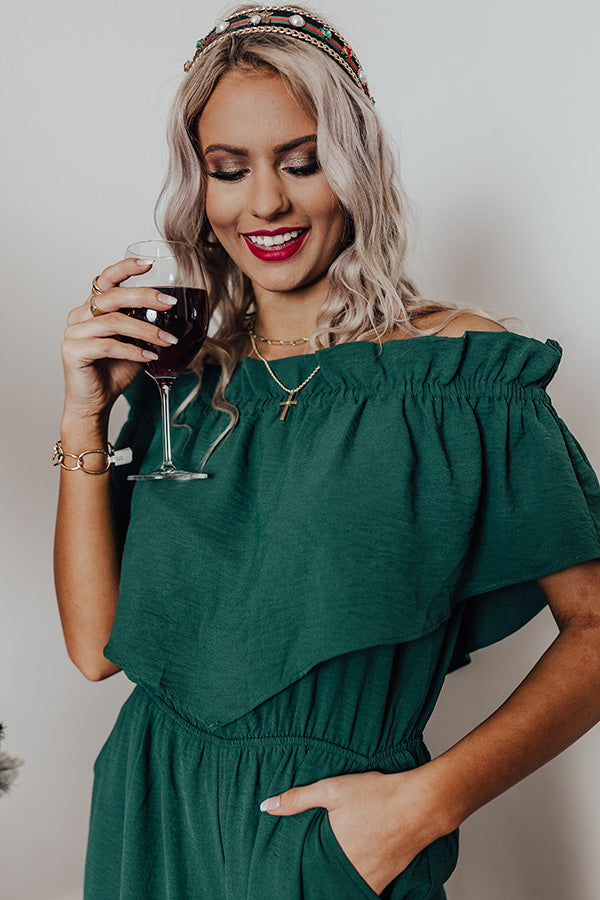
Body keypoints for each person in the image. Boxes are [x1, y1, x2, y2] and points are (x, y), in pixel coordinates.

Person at [54, 5, 600, 899]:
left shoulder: (458, 377)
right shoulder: (178, 382)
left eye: (302, 162)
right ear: (200, 190)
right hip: (149, 817)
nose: (265, 201)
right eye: (229, 169)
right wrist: (84, 414)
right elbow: (94, 648)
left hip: (329, 835)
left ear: (356, 167)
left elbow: (596, 624)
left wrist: (427, 805)